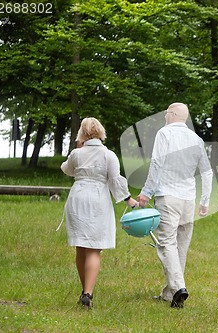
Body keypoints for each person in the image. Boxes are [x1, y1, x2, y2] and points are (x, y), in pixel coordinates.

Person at [138, 102, 213, 308]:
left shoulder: (164, 134)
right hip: (188, 199)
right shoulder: (196, 139)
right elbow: (207, 172)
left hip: (168, 197)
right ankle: (170, 293)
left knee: (166, 243)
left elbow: (157, 163)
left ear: (172, 114)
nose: (164, 117)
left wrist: (146, 192)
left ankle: (179, 287)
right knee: (181, 245)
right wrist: (204, 201)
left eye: (166, 114)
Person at [61, 117, 138, 309]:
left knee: (81, 246)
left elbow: (67, 170)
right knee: (94, 248)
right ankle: (88, 292)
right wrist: (129, 200)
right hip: (97, 200)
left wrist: (79, 147)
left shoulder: (76, 154)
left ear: (82, 134)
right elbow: (114, 180)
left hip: (78, 198)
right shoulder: (108, 155)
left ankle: (83, 291)